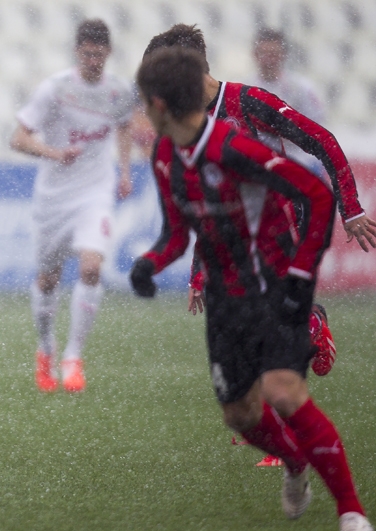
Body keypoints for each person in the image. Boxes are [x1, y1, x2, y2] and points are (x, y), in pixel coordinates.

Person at [131, 46, 371, 531]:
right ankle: (295, 460)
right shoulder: (165, 154)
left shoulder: (237, 136)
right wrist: (151, 264)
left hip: (274, 272)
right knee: (240, 414)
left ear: (159, 104)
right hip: (227, 290)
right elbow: (184, 228)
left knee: (282, 388)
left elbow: (315, 189)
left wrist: (302, 276)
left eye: (142, 103)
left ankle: (352, 514)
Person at [143, 23, 376, 401]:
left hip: (282, 219)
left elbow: (322, 140)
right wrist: (198, 273)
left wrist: (350, 208)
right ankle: (307, 325)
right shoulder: (186, 127)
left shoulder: (247, 102)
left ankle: (279, 426)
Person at [9, 19, 134, 393]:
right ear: (78, 52)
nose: (93, 59)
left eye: (99, 53)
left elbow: (125, 126)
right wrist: (54, 152)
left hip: (95, 191)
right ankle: (45, 348)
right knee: (48, 279)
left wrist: (125, 170)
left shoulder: (118, 91)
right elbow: (17, 138)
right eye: (87, 53)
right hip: (54, 197)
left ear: (108, 53)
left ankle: (73, 356)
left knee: (92, 266)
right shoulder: (56, 88)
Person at [250, 28, 326, 173]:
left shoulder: (302, 88)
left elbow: (317, 127)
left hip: (300, 160)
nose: (269, 59)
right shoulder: (244, 87)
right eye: (264, 53)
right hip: (261, 163)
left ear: (283, 55)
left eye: (274, 53)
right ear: (255, 55)